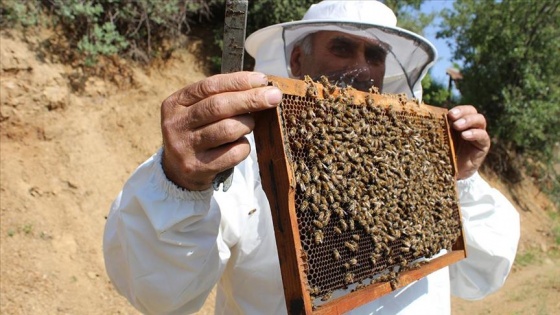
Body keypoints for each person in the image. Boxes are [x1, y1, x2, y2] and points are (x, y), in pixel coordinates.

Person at [103, 1, 520, 314]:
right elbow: (159, 294)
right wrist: (181, 181)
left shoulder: (418, 158)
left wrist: (458, 178)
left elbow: (480, 274)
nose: (361, 67)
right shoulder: (241, 156)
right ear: (298, 59)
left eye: (374, 55)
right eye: (342, 48)